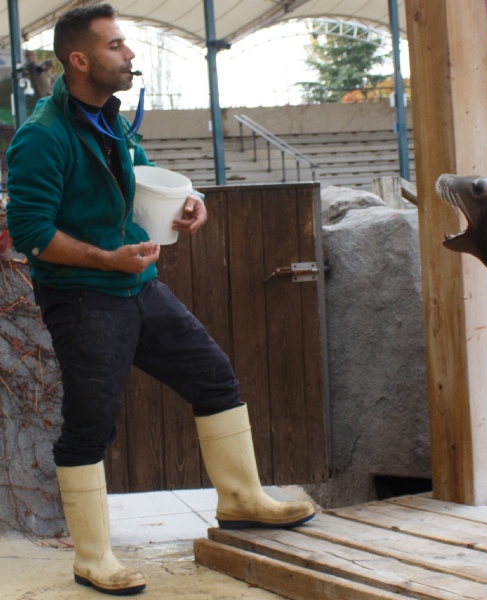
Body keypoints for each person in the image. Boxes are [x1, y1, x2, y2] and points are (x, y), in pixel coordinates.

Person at [5, 4, 314, 596]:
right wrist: (106, 260)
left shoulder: (111, 119)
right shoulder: (40, 138)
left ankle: (242, 500)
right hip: (84, 300)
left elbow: (140, 173)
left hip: (139, 288)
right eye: (117, 45)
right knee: (89, 428)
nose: (130, 55)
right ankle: (93, 557)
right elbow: (31, 234)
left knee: (215, 381)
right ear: (80, 59)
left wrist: (188, 201)